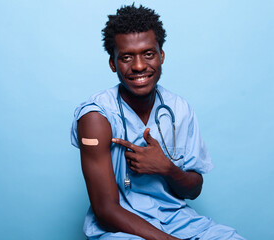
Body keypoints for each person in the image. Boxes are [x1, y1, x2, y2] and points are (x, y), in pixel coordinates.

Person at [71, 4, 245, 240]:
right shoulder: (95, 117)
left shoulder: (179, 109)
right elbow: (105, 211)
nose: (139, 65)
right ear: (113, 64)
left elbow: (194, 190)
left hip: (179, 223)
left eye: (148, 54)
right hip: (121, 230)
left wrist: (167, 168)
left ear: (161, 56)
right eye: (126, 57)